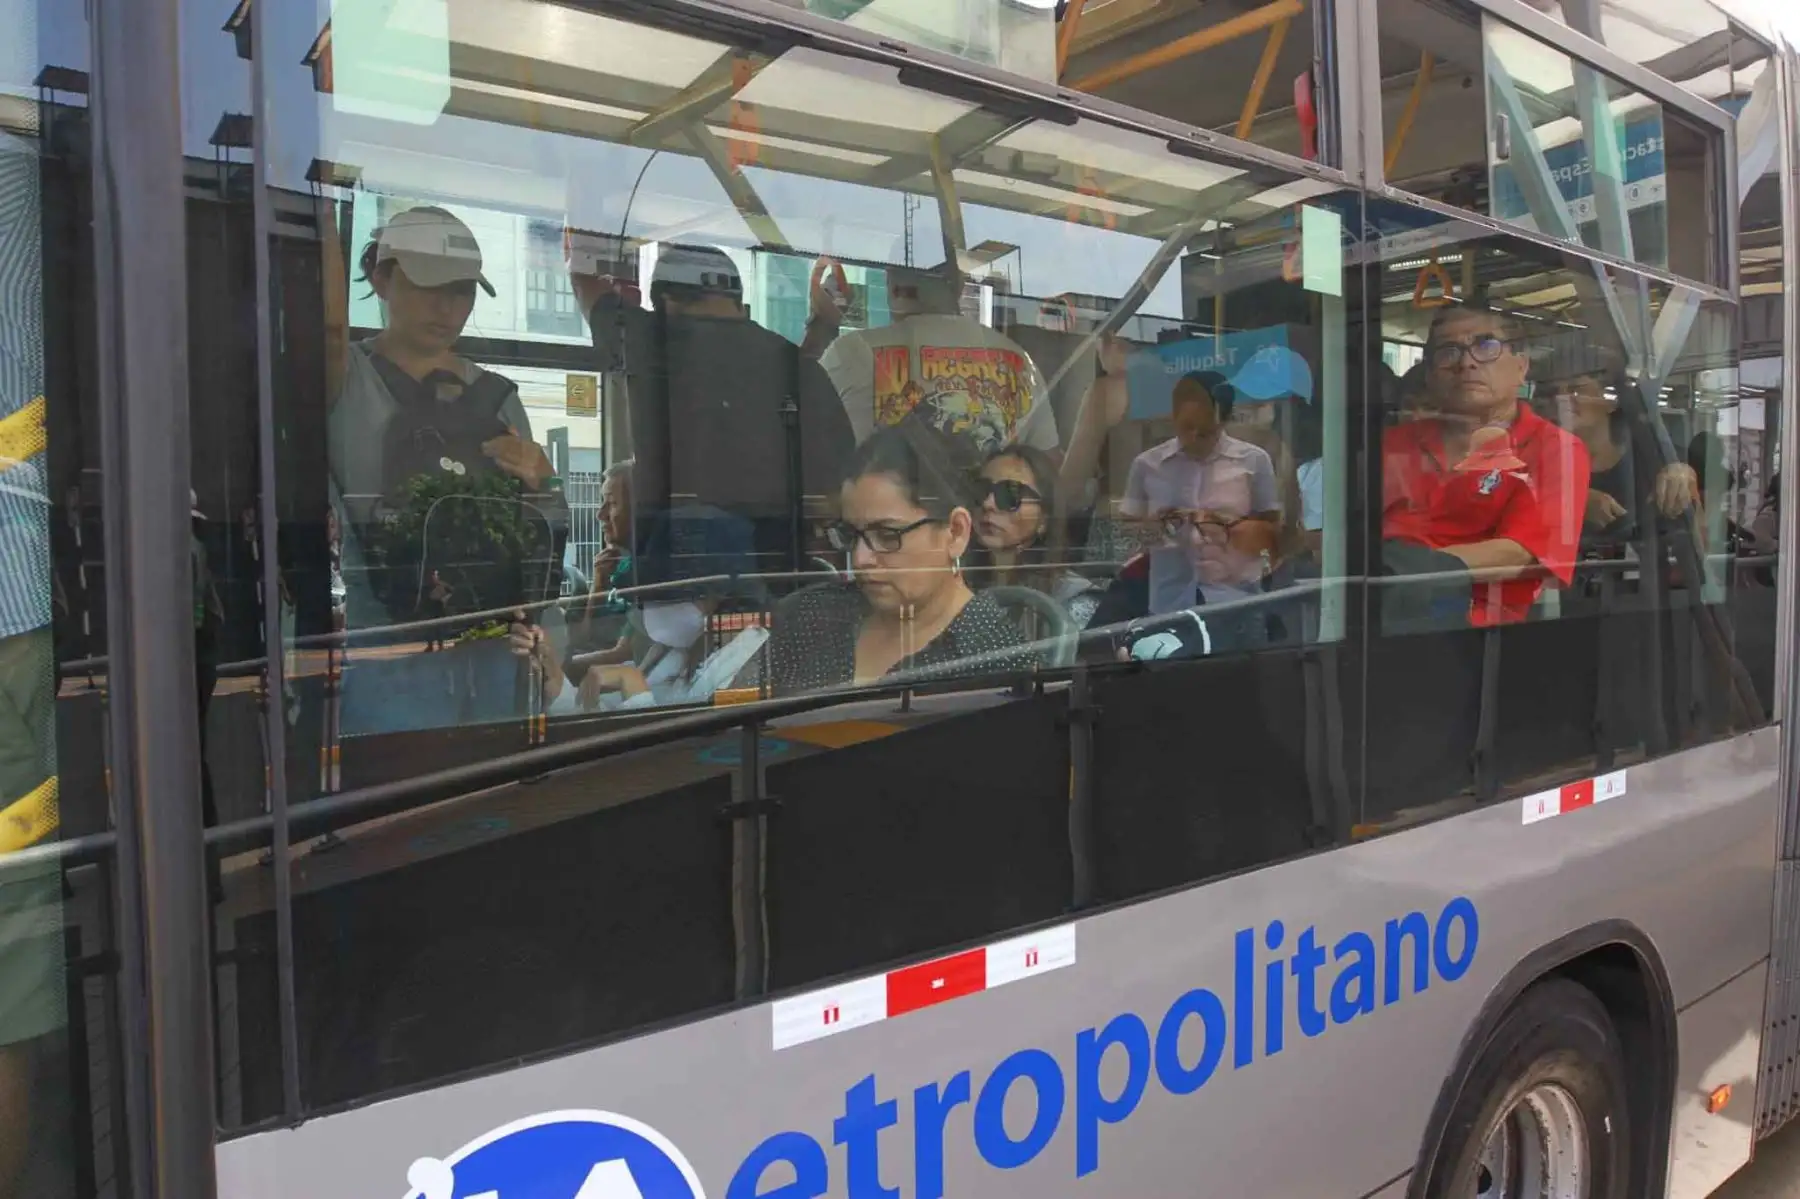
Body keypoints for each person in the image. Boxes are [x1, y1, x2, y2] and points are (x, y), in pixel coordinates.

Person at [328, 206, 563, 731]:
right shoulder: (345, 377)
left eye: (461, 290)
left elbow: (536, 537)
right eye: (427, 285)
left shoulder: (500, 398)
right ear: (380, 278)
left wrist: (545, 481)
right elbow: (323, 325)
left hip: (501, 656)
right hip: (390, 659)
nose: (446, 306)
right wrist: (322, 200)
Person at [570, 244, 852, 574]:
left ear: (666, 302)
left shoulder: (647, 340)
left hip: (675, 567)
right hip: (780, 570)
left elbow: (583, 277)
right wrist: (822, 325)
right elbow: (837, 493)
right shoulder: (800, 368)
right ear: (738, 301)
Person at [766, 428, 1036, 694]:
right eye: (850, 535)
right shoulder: (809, 617)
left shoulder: (997, 658)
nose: (860, 558)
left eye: (887, 535)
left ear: (956, 532)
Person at [1381, 305, 1590, 628]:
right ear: (1430, 375)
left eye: (1486, 346)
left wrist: (1405, 572)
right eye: (1448, 351)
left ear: (1521, 367)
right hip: (1372, 617)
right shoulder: (1392, 444)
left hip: (1477, 632)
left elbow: (1519, 552)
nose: (1466, 362)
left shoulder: (1555, 449)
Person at [812, 259, 1059, 463]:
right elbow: (1048, 465)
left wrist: (823, 322)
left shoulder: (851, 351)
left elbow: (804, 438)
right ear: (959, 285)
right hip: (990, 508)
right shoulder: (1019, 361)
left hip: (885, 507)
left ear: (893, 287)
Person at [1118, 371, 1281, 651]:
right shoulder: (1147, 466)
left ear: (1224, 420)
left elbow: (1272, 536)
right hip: (1168, 608)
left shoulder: (1254, 463)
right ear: (1173, 417)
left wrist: (1229, 532)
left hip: (1236, 607)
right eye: (1187, 427)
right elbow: (1127, 534)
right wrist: (1162, 528)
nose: (1193, 437)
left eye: (1205, 431)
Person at [1544, 370, 1697, 553]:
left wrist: (1685, 481)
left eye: (1576, 390)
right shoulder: (1542, 465)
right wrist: (1573, 501)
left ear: (1609, 401)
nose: (1562, 399)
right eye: (1554, 393)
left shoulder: (1656, 458)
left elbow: (1700, 546)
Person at [965, 446, 1100, 628]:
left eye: (1010, 495)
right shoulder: (955, 586)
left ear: (1044, 519)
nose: (988, 504)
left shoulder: (1072, 602)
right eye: (981, 490)